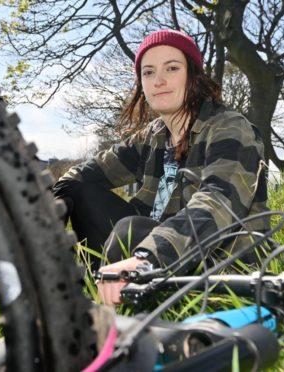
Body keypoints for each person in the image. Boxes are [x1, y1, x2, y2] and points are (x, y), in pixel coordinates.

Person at [53, 29, 269, 305]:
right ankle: (63, 297)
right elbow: (83, 175)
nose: (159, 81)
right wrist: (47, 213)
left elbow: (218, 204)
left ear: (194, 75)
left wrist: (147, 257)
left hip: (214, 268)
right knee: (74, 189)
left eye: (172, 68)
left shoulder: (229, 128)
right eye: (148, 72)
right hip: (152, 249)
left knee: (127, 231)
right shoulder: (153, 137)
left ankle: (121, 303)